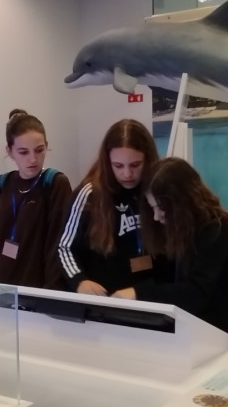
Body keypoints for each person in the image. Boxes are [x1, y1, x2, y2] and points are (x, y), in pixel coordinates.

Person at [111, 157, 228, 336]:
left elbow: (197, 293)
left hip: (214, 333)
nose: (156, 216)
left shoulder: (217, 233)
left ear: (181, 202)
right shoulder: (187, 229)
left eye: (161, 207)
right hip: (194, 327)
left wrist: (139, 293)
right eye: (153, 208)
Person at [58, 118, 164, 295]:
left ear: (148, 159)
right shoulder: (89, 194)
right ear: (108, 162)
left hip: (149, 297)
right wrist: (79, 280)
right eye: (118, 166)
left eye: (135, 165)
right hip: (105, 298)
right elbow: (65, 248)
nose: (127, 173)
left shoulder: (156, 191)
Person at [0, 109, 73, 289]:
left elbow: (59, 245)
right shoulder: (3, 183)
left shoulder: (55, 183)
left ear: (46, 146)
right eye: (23, 152)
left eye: (39, 150)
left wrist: (51, 294)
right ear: (10, 151)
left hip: (37, 289)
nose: (33, 159)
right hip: (2, 285)